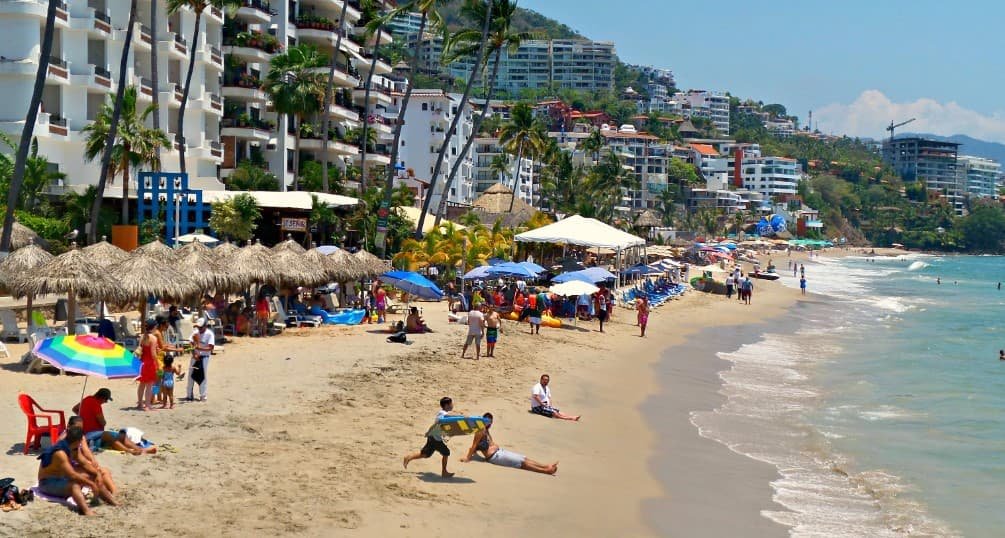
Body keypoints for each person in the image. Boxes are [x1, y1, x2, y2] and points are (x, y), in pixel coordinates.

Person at [37, 427, 117, 515]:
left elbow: (84, 464)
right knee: (74, 486)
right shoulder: (60, 453)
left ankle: (112, 501)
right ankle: (87, 511)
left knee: (95, 476)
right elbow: (72, 475)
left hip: (62, 478)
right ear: (78, 441)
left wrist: (97, 473)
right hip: (47, 483)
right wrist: (91, 484)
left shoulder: (73, 448)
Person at [460, 413, 558, 475]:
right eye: (488, 421)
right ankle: (546, 471)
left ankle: (546, 466)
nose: (489, 423)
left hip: (500, 452)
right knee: (521, 464)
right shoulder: (480, 430)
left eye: (491, 422)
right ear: (483, 420)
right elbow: (474, 445)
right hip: (495, 457)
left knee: (524, 458)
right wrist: (467, 458)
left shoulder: (486, 430)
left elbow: (479, 447)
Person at [72, 389, 156, 455]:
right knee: (108, 435)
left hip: (92, 433)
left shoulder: (87, 399)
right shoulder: (96, 405)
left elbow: (74, 409)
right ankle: (129, 451)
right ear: (103, 398)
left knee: (122, 436)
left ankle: (140, 450)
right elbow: (102, 422)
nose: (105, 402)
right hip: (90, 435)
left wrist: (82, 417)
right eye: (106, 400)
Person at [403, 397, 458, 478]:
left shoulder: (441, 413)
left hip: (433, 436)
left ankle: (409, 457)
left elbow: (439, 424)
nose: (452, 405)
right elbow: (442, 420)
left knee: (425, 454)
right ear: (446, 405)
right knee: (446, 452)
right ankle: (444, 472)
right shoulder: (443, 414)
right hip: (435, 438)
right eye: (451, 404)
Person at [63, 416, 118, 498]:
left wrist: (93, 460)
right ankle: (108, 493)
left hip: (78, 463)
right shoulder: (64, 439)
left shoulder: (79, 436)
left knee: (104, 471)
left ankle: (114, 492)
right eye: (77, 427)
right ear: (68, 426)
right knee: (100, 472)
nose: (79, 430)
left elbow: (86, 450)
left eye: (81, 428)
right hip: (69, 467)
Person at [186, 318, 214, 402]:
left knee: (203, 376)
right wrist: (194, 352)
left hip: (204, 357)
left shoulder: (209, 334)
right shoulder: (195, 332)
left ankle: (203, 395)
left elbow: (210, 347)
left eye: (201, 327)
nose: (199, 329)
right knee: (190, 375)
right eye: (198, 327)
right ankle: (189, 395)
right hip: (195, 356)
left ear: (205, 326)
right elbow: (190, 342)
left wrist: (199, 348)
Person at [137, 319, 159, 411]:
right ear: (153, 327)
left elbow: (140, 349)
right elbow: (153, 354)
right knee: (149, 385)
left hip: (141, 362)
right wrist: (158, 363)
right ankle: (147, 405)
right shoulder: (153, 338)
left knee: (142, 384)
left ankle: (140, 404)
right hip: (150, 363)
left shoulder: (142, 336)